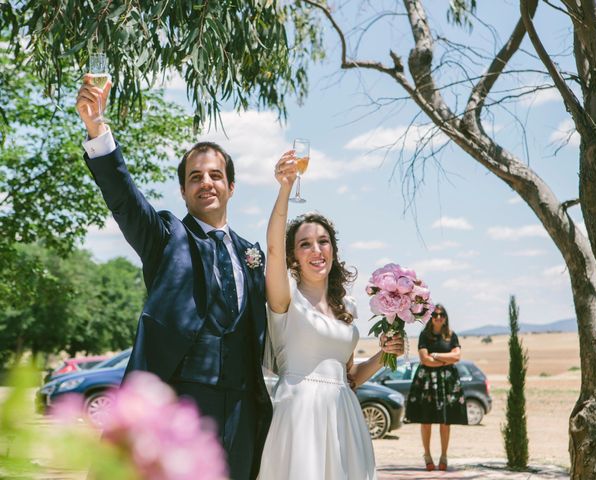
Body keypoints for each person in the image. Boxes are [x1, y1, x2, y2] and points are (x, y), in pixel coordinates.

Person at [75, 75, 272, 480]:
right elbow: (124, 199)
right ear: (183, 191)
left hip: (241, 406)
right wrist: (97, 130)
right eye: (195, 177)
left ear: (231, 186)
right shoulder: (166, 237)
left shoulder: (251, 252)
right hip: (181, 400)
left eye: (215, 175)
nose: (206, 183)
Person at [257, 151, 404, 479]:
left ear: (333, 251)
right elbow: (272, 249)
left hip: (344, 415)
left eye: (323, 242)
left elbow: (349, 378)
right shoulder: (286, 300)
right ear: (293, 256)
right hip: (299, 413)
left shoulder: (347, 307)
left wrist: (384, 355)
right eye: (304, 244)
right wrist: (284, 189)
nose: (316, 250)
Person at [405, 304, 468, 471]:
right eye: (435, 315)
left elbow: (457, 356)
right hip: (427, 382)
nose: (438, 317)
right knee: (426, 420)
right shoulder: (424, 335)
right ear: (430, 318)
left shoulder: (451, 335)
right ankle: (427, 455)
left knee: (445, 421)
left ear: (445, 317)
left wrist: (437, 356)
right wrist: (446, 360)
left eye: (442, 315)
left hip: (447, 383)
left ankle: (444, 456)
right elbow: (425, 360)